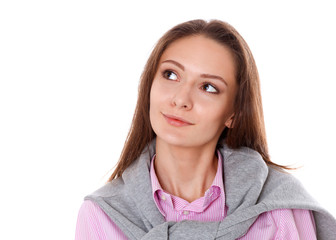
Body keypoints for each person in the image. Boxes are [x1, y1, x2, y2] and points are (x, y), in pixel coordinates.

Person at [75, 19, 336, 239]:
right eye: (171, 75)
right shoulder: (102, 215)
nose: (180, 99)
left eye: (208, 87)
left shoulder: (280, 208)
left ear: (233, 114)